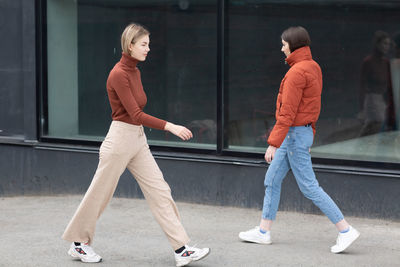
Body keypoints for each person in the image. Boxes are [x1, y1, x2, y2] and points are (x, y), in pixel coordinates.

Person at [62, 23, 210, 267]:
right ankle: (79, 244)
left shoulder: (135, 71)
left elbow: (138, 118)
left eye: (148, 44)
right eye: (144, 44)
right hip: (120, 140)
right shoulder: (118, 73)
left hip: (137, 140)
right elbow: (135, 114)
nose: (148, 49)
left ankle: (181, 249)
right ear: (129, 45)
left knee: (160, 190)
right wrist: (170, 126)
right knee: (100, 195)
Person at [238, 26, 360, 253]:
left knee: (309, 187)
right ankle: (263, 231)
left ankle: (345, 230)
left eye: (284, 44)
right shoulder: (312, 67)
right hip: (297, 134)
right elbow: (312, 107)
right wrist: (307, 134)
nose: (282, 48)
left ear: (293, 45)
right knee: (272, 179)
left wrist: (273, 143)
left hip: (292, 136)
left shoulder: (296, 72)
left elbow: (288, 112)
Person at [359, 30, 394, 136]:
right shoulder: (368, 62)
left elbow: (389, 84)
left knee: (377, 126)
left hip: (383, 100)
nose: (386, 47)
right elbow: (362, 85)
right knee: (376, 124)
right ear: (377, 44)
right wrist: (361, 107)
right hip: (371, 100)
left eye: (388, 44)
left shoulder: (387, 63)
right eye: (384, 43)